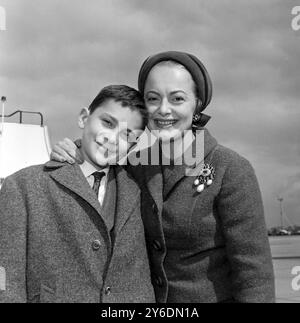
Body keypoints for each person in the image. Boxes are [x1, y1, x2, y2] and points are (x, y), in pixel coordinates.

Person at [51, 51, 275, 303]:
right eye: (153, 98)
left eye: (177, 98)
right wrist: (76, 150)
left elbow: (254, 276)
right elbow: (96, 170)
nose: (163, 110)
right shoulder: (135, 167)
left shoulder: (230, 169)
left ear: (197, 104)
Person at [0, 85, 155, 303]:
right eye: (107, 123)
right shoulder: (23, 185)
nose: (112, 138)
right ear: (84, 117)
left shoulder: (138, 190)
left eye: (126, 135)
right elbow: (8, 280)